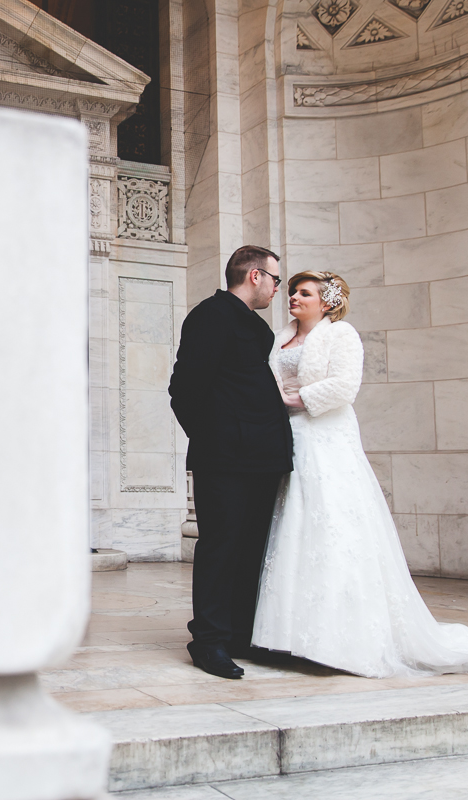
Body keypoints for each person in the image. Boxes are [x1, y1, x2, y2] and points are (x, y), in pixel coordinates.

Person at [252, 271, 468, 677]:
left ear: (326, 302)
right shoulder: (278, 338)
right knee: (291, 523)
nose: (293, 296)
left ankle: (338, 637)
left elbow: (346, 385)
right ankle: (289, 635)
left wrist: (297, 399)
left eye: (304, 292)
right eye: (292, 290)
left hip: (325, 433)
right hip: (287, 435)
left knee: (331, 523)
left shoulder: (341, 334)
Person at [168, 245, 293, 680]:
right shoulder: (210, 316)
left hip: (263, 458)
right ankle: (209, 641)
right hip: (224, 459)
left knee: (252, 548)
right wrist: (215, 439)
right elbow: (183, 389)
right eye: (276, 279)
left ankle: (241, 634)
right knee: (221, 547)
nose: (279, 288)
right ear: (255, 276)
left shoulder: (258, 330)